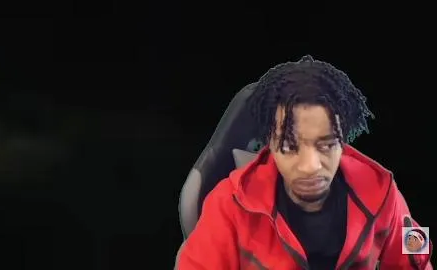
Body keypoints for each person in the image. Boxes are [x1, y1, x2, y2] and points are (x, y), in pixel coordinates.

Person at [178, 55, 432, 270]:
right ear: (270, 144)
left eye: (327, 145)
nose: (310, 166)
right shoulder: (229, 203)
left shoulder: (382, 190)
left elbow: (417, 256)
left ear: (343, 140)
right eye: (289, 146)